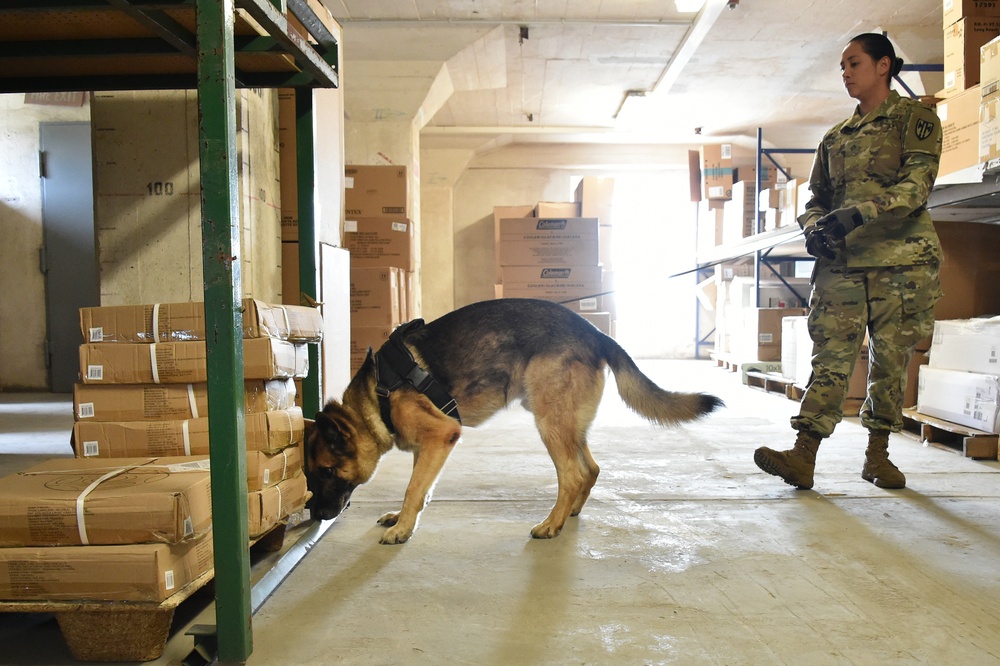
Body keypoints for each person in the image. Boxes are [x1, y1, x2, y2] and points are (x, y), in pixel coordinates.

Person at [754, 33, 942, 490]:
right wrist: (815, 227)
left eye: (853, 63)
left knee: (889, 361)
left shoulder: (914, 120)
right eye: (842, 66)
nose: (845, 72)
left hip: (902, 263)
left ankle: (878, 456)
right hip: (843, 262)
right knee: (831, 358)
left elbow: (917, 186)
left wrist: (861, 212)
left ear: (883, 66)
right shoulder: (835, 137)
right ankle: (804, 455)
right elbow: (815, 197)